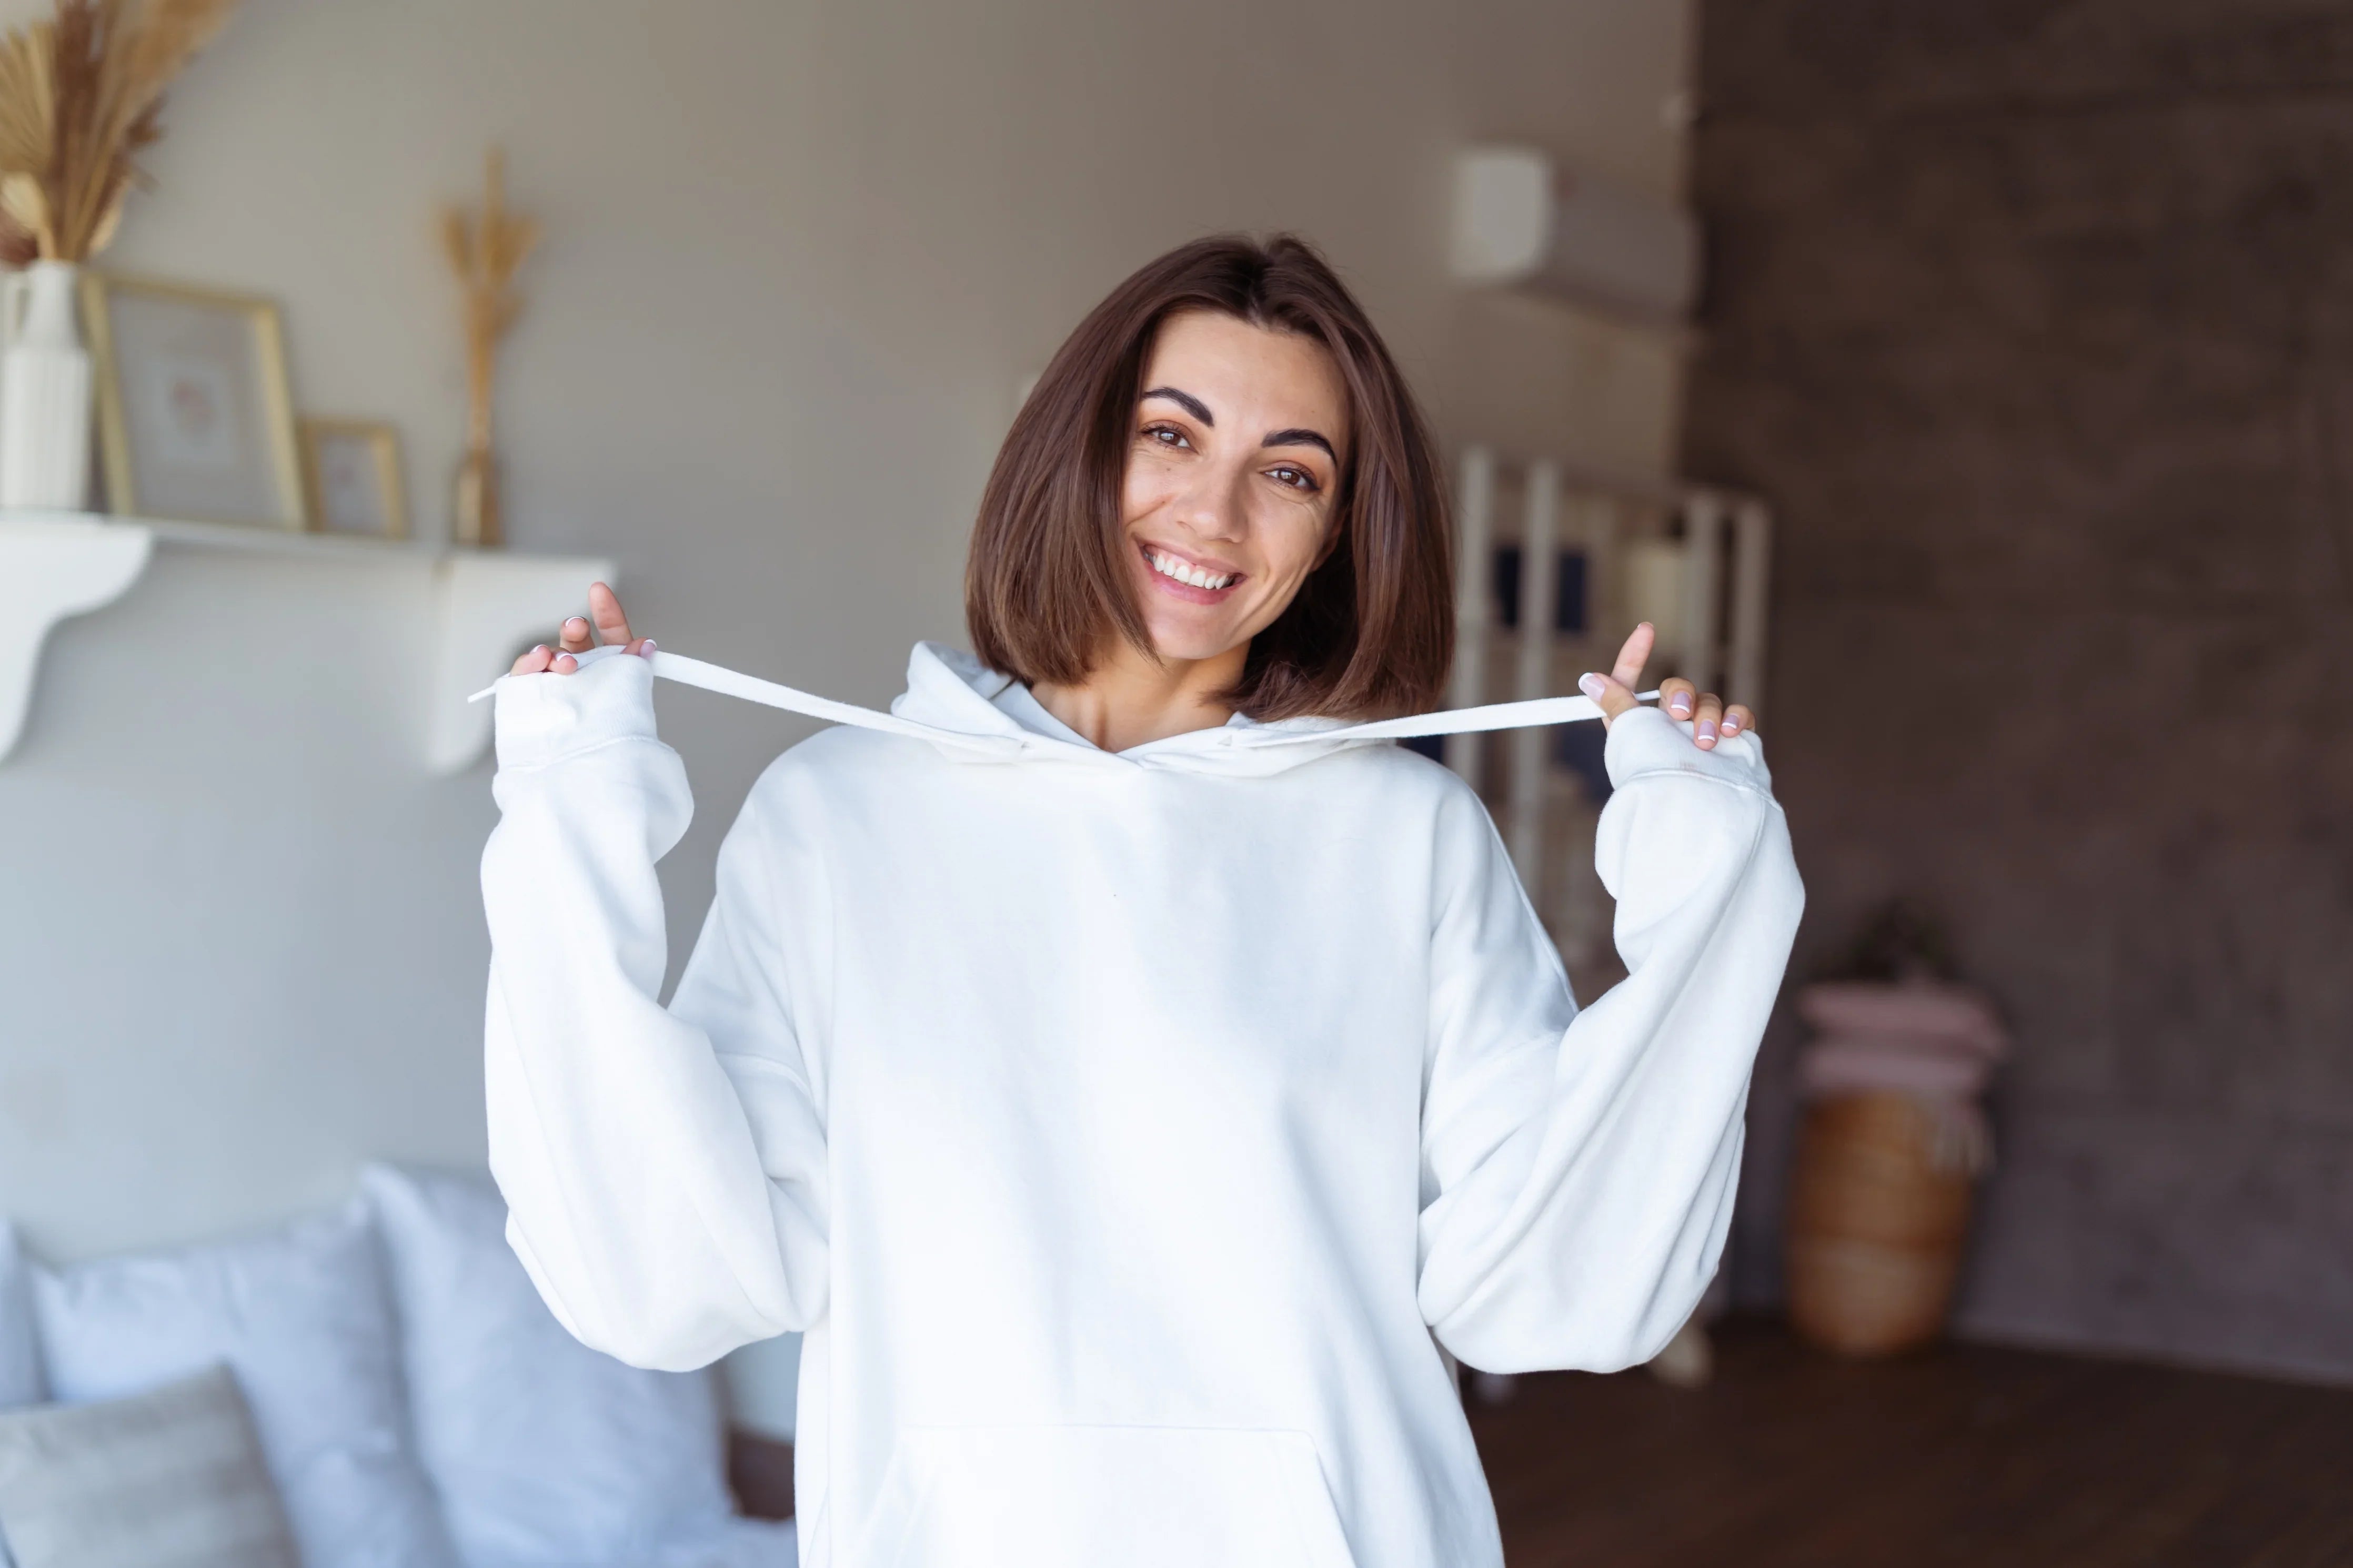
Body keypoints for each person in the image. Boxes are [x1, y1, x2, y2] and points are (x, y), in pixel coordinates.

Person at [480, 234, 1802, 1568]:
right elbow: (673, 1274)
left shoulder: (1409, 840)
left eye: (1288, 472)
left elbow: (1551, 1287)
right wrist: (565, 811)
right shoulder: (835, 821)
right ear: (1077, 449)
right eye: (1170, 436)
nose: (1215, 515)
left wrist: (1714, 884)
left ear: (1337, 533)